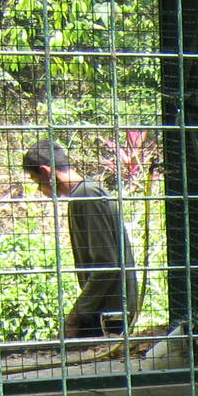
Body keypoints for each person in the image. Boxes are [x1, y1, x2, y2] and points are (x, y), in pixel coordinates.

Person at [20, 139, 140, 340]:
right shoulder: (84, 194)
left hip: (109, 313)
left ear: (46, 172)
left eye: (35, 180)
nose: (39, 189)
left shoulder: (85, 196)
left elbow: (106, 264)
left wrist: (76, 315)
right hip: (108, 308)